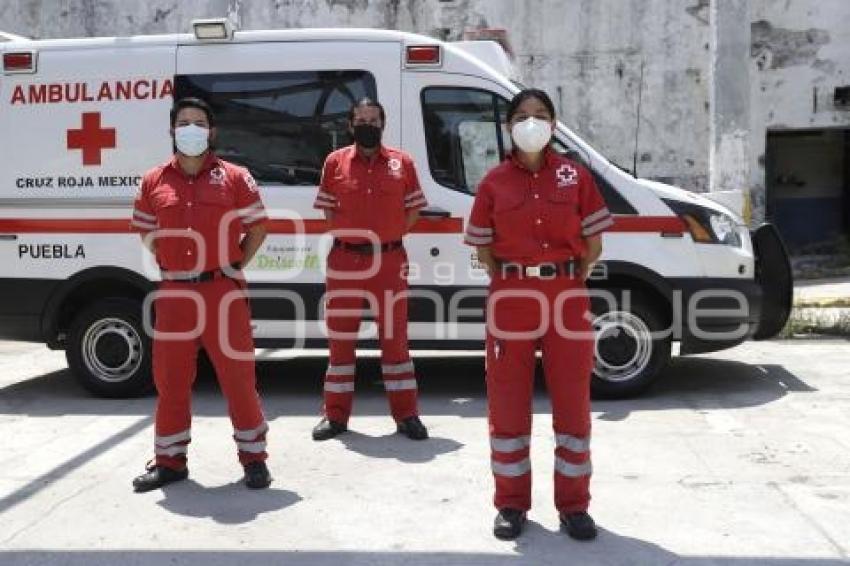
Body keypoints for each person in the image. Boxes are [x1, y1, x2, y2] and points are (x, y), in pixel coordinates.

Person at [464, 88, 613, 540]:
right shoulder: (493, 183)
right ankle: (511, 504)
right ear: (509, 127)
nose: (532, 122)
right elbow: (484, 250)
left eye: (541, 115)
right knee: (507, 403)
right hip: (511, 295)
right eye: (523, 115)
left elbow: (594, 245)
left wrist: (562, 276)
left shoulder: (576, 176)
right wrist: (519, 276)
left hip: (567, 293)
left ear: (554, 124)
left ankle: (574, 506)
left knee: (573, 402)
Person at [130, 97, 272, 492]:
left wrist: (233, 264)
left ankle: (254, 459)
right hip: (175, 293)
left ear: (211, 132)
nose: (190, 128)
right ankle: (170, 462)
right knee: (171, 380)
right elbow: (144, 228)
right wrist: (169, 257)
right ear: (172, 130)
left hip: (223, 292)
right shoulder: (154, 180)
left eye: (198, 122)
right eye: (183, 122)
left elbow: (258, 228)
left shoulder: (235, 177)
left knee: (238, 380)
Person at [311, 97, 429, 441]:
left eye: (373, 119)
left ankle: (406, 414)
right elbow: (328, 213)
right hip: (345, 261)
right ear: (350, 125)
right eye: (360, 119)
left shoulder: (402, 163)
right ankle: (335, 416)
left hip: (389, 260)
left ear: (383, 124)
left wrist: (386, 237)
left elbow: (413, 212)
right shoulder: (334, 163)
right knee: (341, 341)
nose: (367, 124)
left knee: (395, 340)